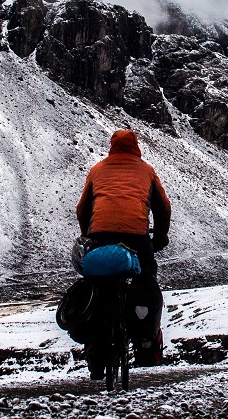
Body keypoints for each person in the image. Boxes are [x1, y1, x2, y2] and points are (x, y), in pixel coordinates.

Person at [76, 129, 172, 374]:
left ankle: (95, 350)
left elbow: (82, 209)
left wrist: (88, 236)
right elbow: (163, 209)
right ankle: (146, 344)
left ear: (112, 146)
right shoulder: (146, 170)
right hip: (136, 238)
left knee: (96, 282)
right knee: (146, 278)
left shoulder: (97, 169)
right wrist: (159, 238)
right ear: (135, 146)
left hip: (100, 236)